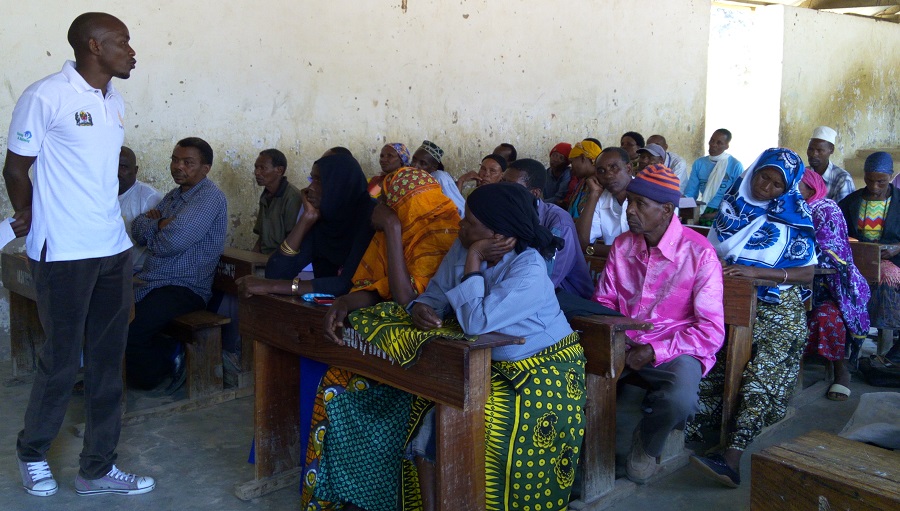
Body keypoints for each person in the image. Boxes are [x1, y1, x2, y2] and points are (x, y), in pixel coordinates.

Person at [3, 12, 155, 496]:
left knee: (110, 362)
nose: (131, 51)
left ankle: (97, 469)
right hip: (64, 251)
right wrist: (29, 217)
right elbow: (15, 168)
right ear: (93, 46)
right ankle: (32, 454)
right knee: (62, 360)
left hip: (112, 247)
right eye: (122, 42)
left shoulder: (114, 101)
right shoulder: (46, 95)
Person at [301, 167, 460, 509]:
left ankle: (384, 498)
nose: (382, 205)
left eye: (390, 199)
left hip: (431, 358)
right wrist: (344, 303)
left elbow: (406, 299)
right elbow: (375, 288)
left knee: (381, 413)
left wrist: (392, 226)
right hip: (396, 351)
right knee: (334, 387)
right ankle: (345, 494)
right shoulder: (397, 228)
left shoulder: (444, 231)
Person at [690, 148, 817, 488]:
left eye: (778, 184)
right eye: (764, 176)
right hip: (731, 303)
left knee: (764, 372)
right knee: (709, 374)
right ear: (754, 171)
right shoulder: (731, 207)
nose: (767, 187)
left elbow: (807, 273)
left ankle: (732, 456)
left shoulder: (794, 212)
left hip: (780, 309)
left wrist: (761, 275)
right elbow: (710, 255)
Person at [593, 164, 725, 483]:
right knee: (571, 373)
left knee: (680, 398)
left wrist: (654, 350)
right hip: (623, 339)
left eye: (640, 204)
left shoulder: (700, 254)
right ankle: (585, 451)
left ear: (666, 209)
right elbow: (604, 302)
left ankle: (648, 443)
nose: (630, 210)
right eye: (629, 202)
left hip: (676, 346)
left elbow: (710, 330)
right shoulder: (624, 246)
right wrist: (619, 339)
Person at [126, 137, 227, 391]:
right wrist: (159, 224)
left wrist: (155, 231)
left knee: (133, 331)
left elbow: (170, 243)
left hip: (185, 287)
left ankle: (167, 363)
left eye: (187, 162)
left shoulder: (208, 198)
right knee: (112, 318)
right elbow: (136, 229)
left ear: (205, 168)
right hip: (154, 281)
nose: (178, 166)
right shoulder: (174, 196)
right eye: (174, 159)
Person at [798, 169, 870, 401]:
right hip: (796, 282)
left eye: (795, 186)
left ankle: (842, 372)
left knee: (829, 317)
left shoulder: (827, 209)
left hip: (832, 286)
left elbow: (833, 252)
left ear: (810, 188)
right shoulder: (788, 208)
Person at [502, 158, 593, 299]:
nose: (502, 190)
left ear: (535, 193)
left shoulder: (558, 221)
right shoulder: (505, 214)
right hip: (520, 290)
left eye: (511, 186)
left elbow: (548, 278)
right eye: (502, 182)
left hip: (562, 296)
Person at [838, 151, 900, 334]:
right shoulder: (851, 202)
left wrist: (897, 248)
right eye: (869, 180)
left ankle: (884, 334)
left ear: (891, 176)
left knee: (886, 278)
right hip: (858, 257)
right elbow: (841, 233)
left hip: (894, 259)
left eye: (881, 181)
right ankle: (853, 331)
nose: (874, 186)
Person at [575, 147, 632, 252]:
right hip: (610, 266)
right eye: (601, 171)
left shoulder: (647, 196)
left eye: (614, 167)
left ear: (628, 169)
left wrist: (594, 249)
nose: (608, 175)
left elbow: (645, 251)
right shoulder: (600, 198)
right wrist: (594, 194)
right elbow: (580, 242)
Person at [684, 129, 744, 226]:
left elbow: (738, 197)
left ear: (726, 146)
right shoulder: (699, 163)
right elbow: (691, 192)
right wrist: (684, 207)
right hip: (702, 208)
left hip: (724, 212)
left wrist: (716, 214)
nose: (713, 144)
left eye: (719, 143)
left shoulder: (735, 166)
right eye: (712, 140)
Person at [118, 146, 162, 273]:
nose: (117, 171)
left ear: (135, 170)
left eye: (123, 167)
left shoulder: (149, 198)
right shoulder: (99, 193)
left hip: (137, 272)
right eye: (112, 165)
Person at [251, 148, 302, 255]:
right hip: (265, 258)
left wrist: (274, 262)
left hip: (282, 258)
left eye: (262, 168)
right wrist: (252, 258)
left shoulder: (292, 197)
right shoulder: (265, 195)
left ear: (279, 170)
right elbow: (262, 236)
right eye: (256, 167)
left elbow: (293, 239)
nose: (257, 172)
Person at [410, 140, 466, 217]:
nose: (415, 165)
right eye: (414, 159)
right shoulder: (409, 177)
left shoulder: (439, 177)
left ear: (434, 167)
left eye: (423, 163)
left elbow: (458, 209)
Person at [807, 126, 854, 202]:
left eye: (819, 150)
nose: (813, 154)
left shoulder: (842, 179)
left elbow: (842, 211)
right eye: (810, 149)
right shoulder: (803, 174)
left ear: (831, 150)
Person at [564, 139, 603, 219]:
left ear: (583, 158)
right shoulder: (584, 181)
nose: (571, 168)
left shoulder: (599, 183)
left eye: (572, 162)